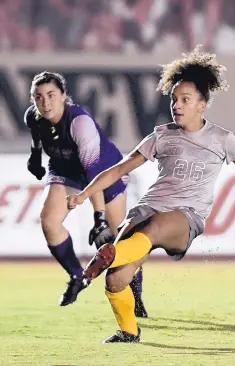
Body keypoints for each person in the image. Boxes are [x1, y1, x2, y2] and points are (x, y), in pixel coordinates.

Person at [66, 46, 235, 343]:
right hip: (147, 207)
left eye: (185, 100)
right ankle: (128, 331)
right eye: (173, 100)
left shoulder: (222, 139)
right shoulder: (161, 135)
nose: (176, 105)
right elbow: (118, 169)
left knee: (155, 227)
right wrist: (83, 195)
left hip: (185, 216)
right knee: (115, 279)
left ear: (202, 105)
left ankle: (105, 257)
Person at [25, 71, 148, 316]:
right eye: (39, 97)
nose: (45, 102)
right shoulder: (33, 116)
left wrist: (98, 217)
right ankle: (76, 276)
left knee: (121, 240)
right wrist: (35, 158)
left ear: (63, 97)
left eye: (51, 95)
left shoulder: (80, 123)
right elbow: (37, 139)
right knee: (49, 221)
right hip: (65, 170)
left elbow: (95, 177)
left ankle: (136, 296)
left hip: (106, 173)